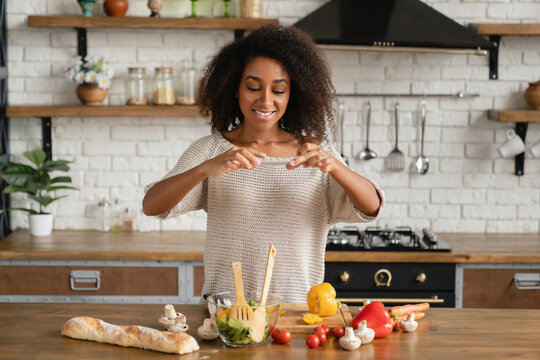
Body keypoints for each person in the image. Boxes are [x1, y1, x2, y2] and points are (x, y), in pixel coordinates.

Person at [142, 24, 384, 303]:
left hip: (298, 311)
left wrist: (336, 168)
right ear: (234, 88)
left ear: (294, 94)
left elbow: (372, 207)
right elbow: (152, 205)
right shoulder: (212, 150)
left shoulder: (315, 153)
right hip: (228, 313)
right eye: (253, 87)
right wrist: (205, 169)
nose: (265, 100)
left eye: (279, 91)